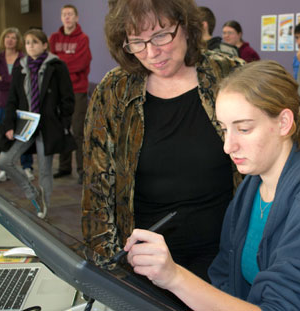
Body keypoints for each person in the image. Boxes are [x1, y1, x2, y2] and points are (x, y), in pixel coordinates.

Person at [122, 60, 300, 310]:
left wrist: (175, 277)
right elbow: (224, 274)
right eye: (224, 129)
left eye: (244, 129)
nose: (228, 147)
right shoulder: (252, 186)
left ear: (283, 123)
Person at [82, 0, 244, 280]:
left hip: (224, 256)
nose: (151, 52)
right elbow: (97, 190)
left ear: (186, 25)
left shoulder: (229, 75)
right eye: (137, 42)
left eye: (160, 35)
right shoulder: (114, 91)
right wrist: (104, 274)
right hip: (144, 261)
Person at [0, 29, 75, 219]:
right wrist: (8, 124)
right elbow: (12, 99)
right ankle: (31, 191)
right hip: (25, 125)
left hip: (47, 126)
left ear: (44, 45)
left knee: (45, 170)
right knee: (5, 160)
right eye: (27, 43)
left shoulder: (56, 66)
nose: (30, 46)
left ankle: (45, 207)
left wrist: (63, 123)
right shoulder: (20, 67)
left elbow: (67, 98)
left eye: (34, 42)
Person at [49, 4, 92, 184]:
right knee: (62, 129)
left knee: (78, 131)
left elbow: (81, 63)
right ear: (61, 18)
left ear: (76, 18)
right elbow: (51, 63)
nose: (67, 17)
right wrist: (63, 63)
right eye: (64, 14)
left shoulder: (83, 38)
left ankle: (82, 170)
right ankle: (64, 167)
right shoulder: (54, 38)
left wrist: (61, 62)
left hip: (78, 90)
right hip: (59, 92)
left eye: (70, 14)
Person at [0, 28, 35, 182]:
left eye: (13, 38)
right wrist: (12, 83)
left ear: (18, 41)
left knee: (23, 135)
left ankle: (27, 167)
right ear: (3, 40)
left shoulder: (23, 59)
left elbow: (24, 83)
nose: (10, 40)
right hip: (3, 103)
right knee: (5, 135)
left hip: (22, 104)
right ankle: (5, 169)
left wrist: (5, 80)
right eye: (7, 37)